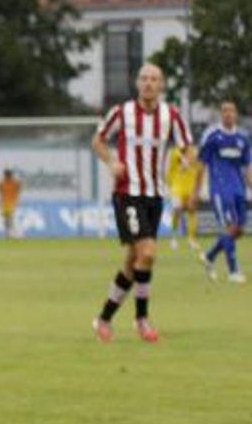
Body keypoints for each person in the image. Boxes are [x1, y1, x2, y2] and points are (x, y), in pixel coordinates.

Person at [91, 63, 194, 343]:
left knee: (133, 261)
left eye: (154, 79)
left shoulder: (171, 116)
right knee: (147, 253)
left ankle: (104, 319)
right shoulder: (122, 112)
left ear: (161, 85)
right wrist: (111, 161)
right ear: (137, 83)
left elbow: (187, 147)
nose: (148, 83)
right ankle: (141, 320)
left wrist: (186, 163)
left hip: (154, 196)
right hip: (127, 193)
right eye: (144, 78)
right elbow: (98, 141)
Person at [198, 98, 250, 284]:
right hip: (219, 190)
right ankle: (233, 271)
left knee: (238, 229)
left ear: (236, 114)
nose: (228, 114)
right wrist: (197, 191)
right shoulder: (212, 136)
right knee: (229, 227)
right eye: (225, 110)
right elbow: (201, 164)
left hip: (238, 190)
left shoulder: (243, 137)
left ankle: (209, 256)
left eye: (231, 110)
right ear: (221, 114)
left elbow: (247, 167)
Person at [164, 141, 203, 251]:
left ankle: (191, 239)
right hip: (177, 187)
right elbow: (170, 170)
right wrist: (169, 184)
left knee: (191, 210)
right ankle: (173, 237)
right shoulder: (175, 153)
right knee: (177, 209)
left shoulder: (194, 152)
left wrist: (197, 190)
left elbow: (199, 170)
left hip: (190, 186)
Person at [0, 168, 22, 239]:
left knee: (10, 218)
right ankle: (8, 233)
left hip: (11, 202)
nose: (7, 176)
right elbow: (0, 191)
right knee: (6, 219)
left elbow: (18, 188)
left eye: (8, 175)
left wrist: (16, 198)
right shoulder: (2, 183)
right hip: (4, 203)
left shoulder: (14, 182)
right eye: (6, 175)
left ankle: (15, 233)